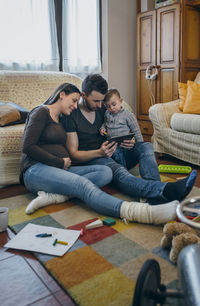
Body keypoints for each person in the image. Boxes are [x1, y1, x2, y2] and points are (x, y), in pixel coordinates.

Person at [21, 82, 179, 225]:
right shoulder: (40, 111)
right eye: (73, 100)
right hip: (36, 169)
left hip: (60, 169)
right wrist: (59, 162)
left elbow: (118, 110)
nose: (75, 105)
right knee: (83, 185)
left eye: (77, 101)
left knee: (105, 172)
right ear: (62, 95)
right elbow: (28, 146)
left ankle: (57, 196)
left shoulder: (61, 116)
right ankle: (140, 212)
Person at [100, 88, 143, 167]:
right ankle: (121, 170)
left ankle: (123, 171)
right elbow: (105, 123)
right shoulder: (107, 113)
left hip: (125, 145)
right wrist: (103, 128)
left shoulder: (128, 115)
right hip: (112, 144)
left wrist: (140, 146)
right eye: (108, 106)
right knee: (110, 149)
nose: (111, 108)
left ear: (120, 101)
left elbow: (137, 132)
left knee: (145, 147)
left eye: (114, 104)